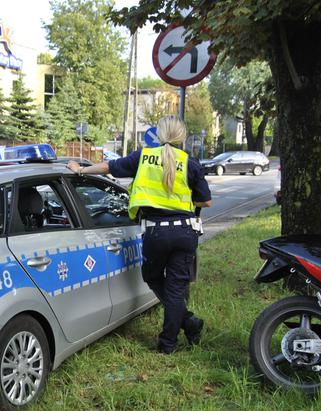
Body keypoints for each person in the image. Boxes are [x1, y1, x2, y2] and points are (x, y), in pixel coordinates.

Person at [67, 115, 212, 354]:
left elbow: (108, 167)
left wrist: (80, 169)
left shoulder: (142, 157)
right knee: (176, 289)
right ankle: (184, 325)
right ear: (182, 137)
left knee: (154, 278)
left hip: (156, 233)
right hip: (186, 232)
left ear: (160, 133)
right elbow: (206, 201)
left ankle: (172, 339)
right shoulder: (190, 162)